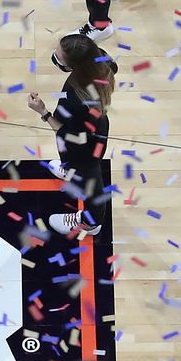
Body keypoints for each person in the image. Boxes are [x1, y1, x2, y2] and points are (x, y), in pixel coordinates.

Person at [27, 33, 118, 236]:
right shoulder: (101, 60)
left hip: (82, 147)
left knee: (91, 186)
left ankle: (90, 224)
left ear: (75, 65)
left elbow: (67, 134)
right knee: (76, 165)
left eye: (59, 57)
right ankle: (69, 170)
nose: (55, 57)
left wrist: (43, 112)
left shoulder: (77, 99)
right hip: (93, 130)